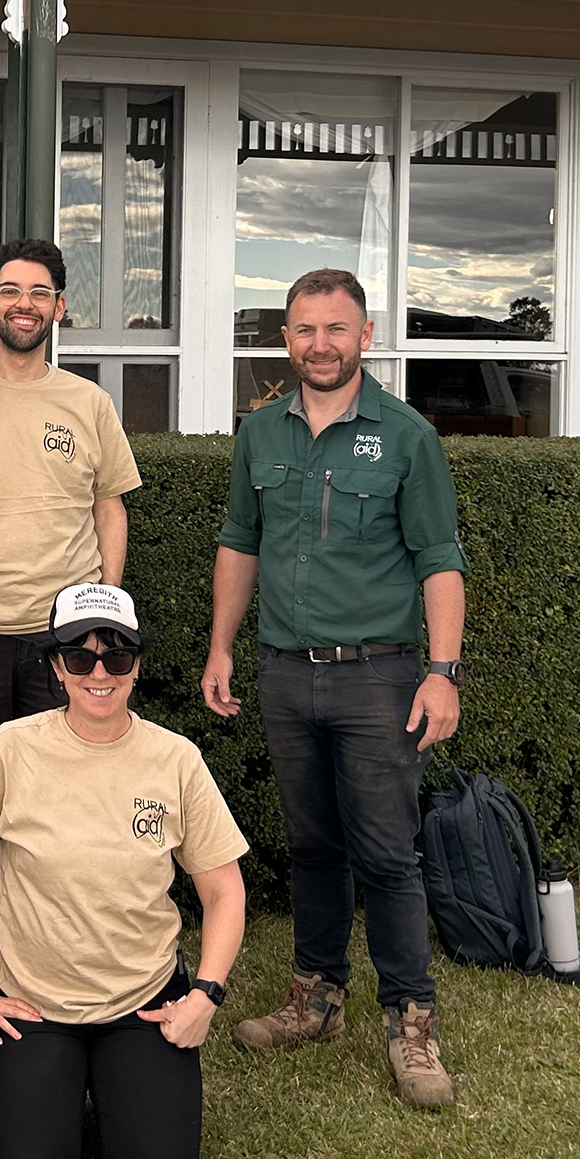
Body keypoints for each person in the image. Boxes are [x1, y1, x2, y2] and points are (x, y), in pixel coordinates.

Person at [200, 267, 468, 1111]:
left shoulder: (407, 436)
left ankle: (411, 1021)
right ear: (286, 338)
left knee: (386, 853)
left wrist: (442, 673)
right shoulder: (260, 433)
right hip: (285, 671)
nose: (321, 344)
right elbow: (241, 542)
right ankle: (315, 997)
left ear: (366, 335)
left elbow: (440, 559)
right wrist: (221, 647)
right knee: (312, 845)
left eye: (337, 328)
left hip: (379, 678)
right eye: (306, 329)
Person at [0, 584, 247, 1159]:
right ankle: (61, 1089)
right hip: (33, 1005)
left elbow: (224, 888)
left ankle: (110, 1086)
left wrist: (205, 995)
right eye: (79, 657)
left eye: (117, 657)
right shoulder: (10, 748)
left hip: (144, 1001)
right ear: (56, 667)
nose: (99, 674)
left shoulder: (175, 758)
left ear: (137, 667)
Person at [0, 238, 139, 976]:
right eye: (11, 291)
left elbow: (109, 505)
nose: (25, 304)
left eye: (39, 293)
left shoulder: (88, 402)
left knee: (63, 794)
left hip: (66, 639)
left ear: (59, 307)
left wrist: (106, 607)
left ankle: (57, 945)